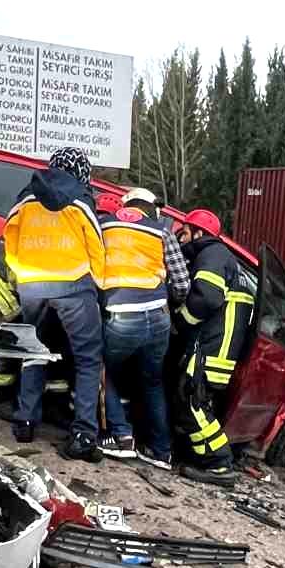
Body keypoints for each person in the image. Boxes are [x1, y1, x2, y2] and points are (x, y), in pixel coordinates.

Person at [2, 146, 106, 460]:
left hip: (32, 286)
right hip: (74, 286)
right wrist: (97, 285)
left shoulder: (25, 198)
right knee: (88, 358)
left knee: (34, 350)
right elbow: (96, 245)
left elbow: (9, 237)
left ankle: (25, 421)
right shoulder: (81, 200)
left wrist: (20, 275)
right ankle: (84, 431)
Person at [173, 208, 253, 487]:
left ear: (199, 233)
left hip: (211, 350)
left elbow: (206, 299)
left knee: (193, 403)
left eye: (183, 232)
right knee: (194, 402)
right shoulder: (223, 259)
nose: (179, 238)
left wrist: (179, 322)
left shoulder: (212, 256)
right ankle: (205, 458)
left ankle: (219, 464)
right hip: (218, 349)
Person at [97, 192, 175, 469]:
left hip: (121, 316)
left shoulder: (103, 225)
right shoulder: (162, 232)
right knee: (152, 382)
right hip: (159, 318)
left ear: (126, 205)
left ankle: (121, 435)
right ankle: (161, 451)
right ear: (149, 208)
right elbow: (181, 283)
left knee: (100, 370)